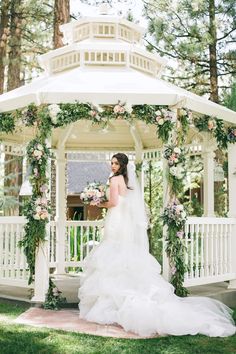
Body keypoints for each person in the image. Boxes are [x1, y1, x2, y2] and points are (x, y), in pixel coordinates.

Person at [78, 153, 236, 337]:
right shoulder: (126, 181)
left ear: (121, 165)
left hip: (116, 221)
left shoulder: (114, 179)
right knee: (123, 254)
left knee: (113, 254)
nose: (112, 166)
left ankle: (115, 302)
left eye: (115, 163)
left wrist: (98, 203)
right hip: (124, 222)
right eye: (111, 163)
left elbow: (113, 202)